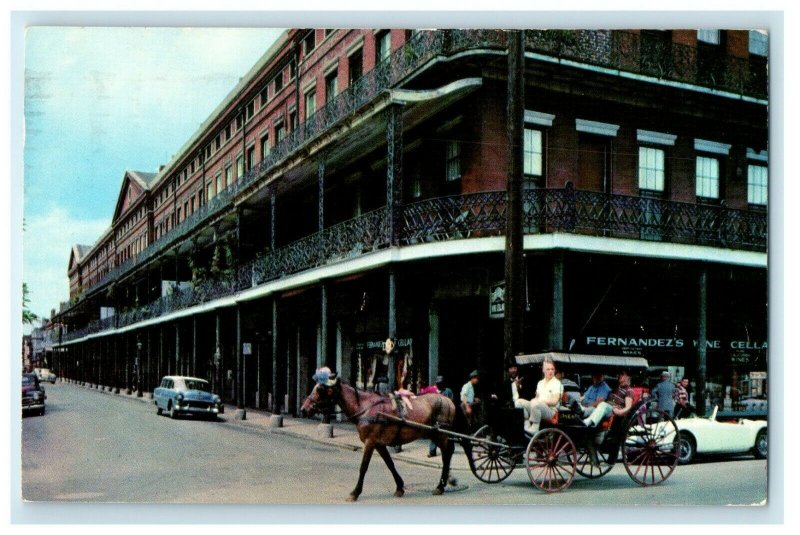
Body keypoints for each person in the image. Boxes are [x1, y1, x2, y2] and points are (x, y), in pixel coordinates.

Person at [525, 358, 562, 435]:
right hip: (538, 407)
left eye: (552, 369)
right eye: (548, 369)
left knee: (536, 404)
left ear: (555, 370)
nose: (550, 371)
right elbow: (536, 398)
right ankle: (526, 424)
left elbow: (555, 401)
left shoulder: (557, 383)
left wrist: (540, 401)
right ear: (543, 370)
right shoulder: (540, 383)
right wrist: (534, 400)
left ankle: (535, 428)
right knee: (519, 403)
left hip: (550, 411)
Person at [427, 376, 454, 457]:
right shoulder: (434, 392)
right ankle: (432, 451)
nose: (439, 385)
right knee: (433, 432)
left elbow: (451, 401)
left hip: (446, 414)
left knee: (449, 432)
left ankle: (451, 448)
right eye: (438, 383)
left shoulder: (448, 391)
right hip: (436, 416)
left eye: (440, 383)